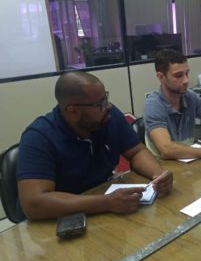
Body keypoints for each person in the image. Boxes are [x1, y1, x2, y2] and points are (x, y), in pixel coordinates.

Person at [17, 71, 173, 220]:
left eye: (105, 98)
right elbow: (34, 203)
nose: (108, 106)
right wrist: (106, 203)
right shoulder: (39, 137)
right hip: (57, 221)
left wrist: (158, 175)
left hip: (102, 208)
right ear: (73, 111)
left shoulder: (108, 117)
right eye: (99, 104)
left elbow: (136, 151)